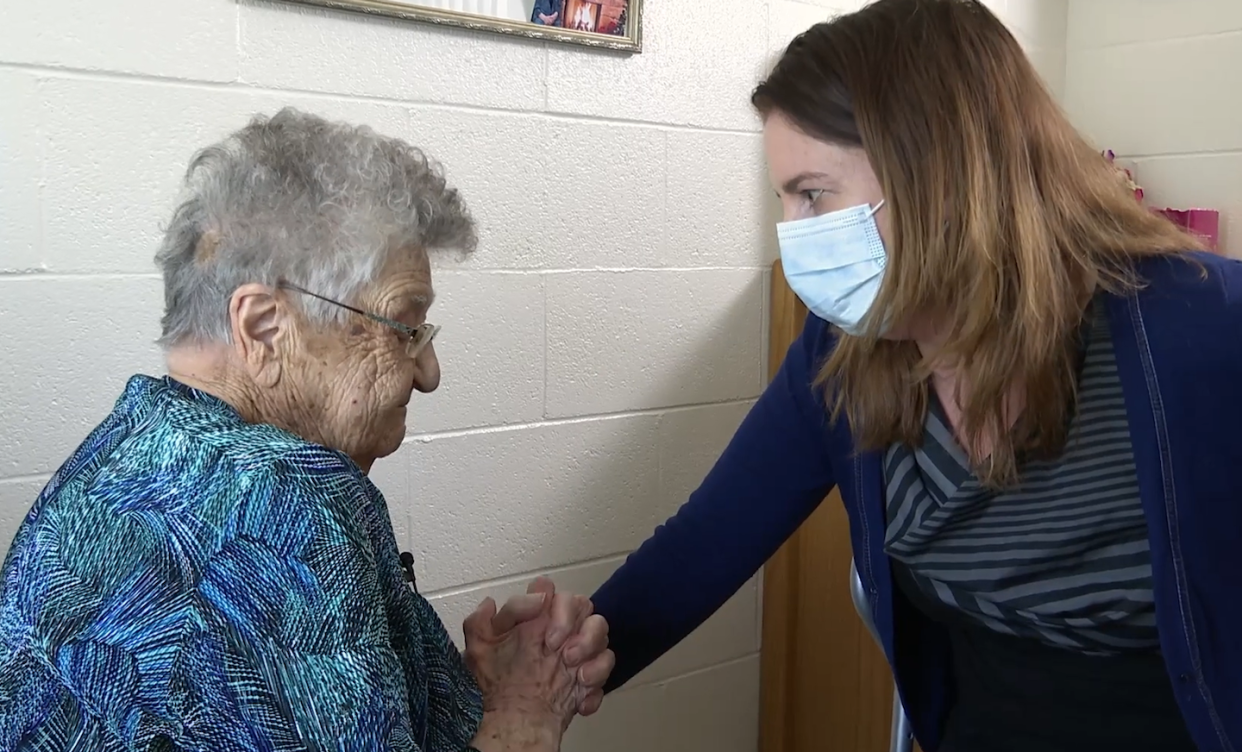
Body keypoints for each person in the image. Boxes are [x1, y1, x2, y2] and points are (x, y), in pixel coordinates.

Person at [576, 1, 1242, 751]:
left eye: (813, 194)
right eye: (784, 200)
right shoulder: (844, 351)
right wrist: (562, 666)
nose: (794, 235)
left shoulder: (1202, 329)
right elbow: (708, 540)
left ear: (941, 173)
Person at [0, 108, 613, 751]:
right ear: (264, 328)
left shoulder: (115, 456)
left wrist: (449, 694)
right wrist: (528, 709)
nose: (428, 372)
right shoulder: (286, 504)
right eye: (405, 327)